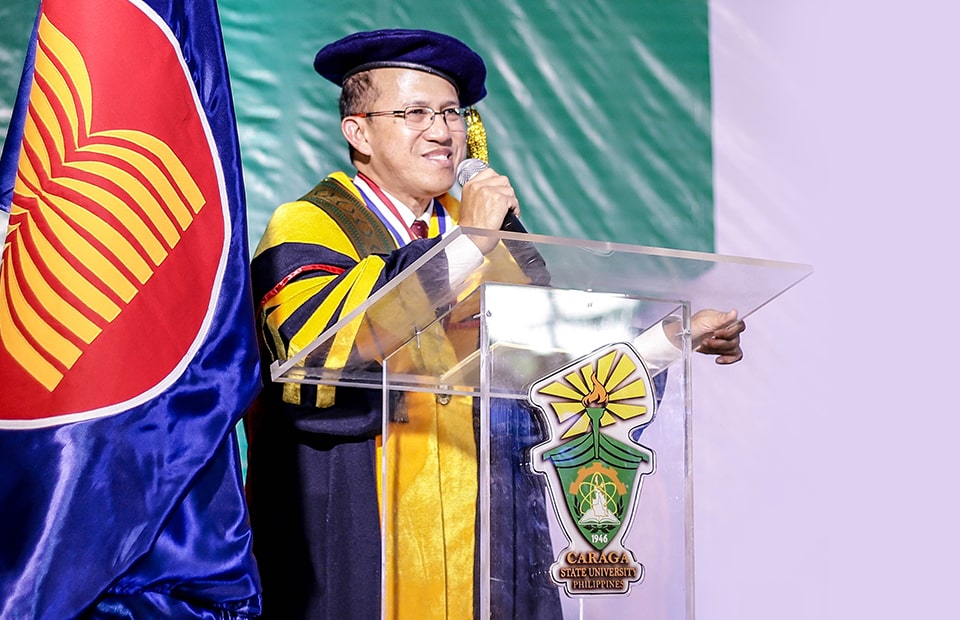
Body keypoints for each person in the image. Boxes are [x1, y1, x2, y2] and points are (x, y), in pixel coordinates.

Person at [244, 28, 746, 620]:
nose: (441, 131)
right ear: (358, 131)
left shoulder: (495, 239)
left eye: (452, 113)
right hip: (363, 550)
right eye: (414, 112)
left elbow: (554, 380)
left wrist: (668, 341)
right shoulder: (310, 225)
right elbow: (322, 360)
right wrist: (465, 247)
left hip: (493, 552)